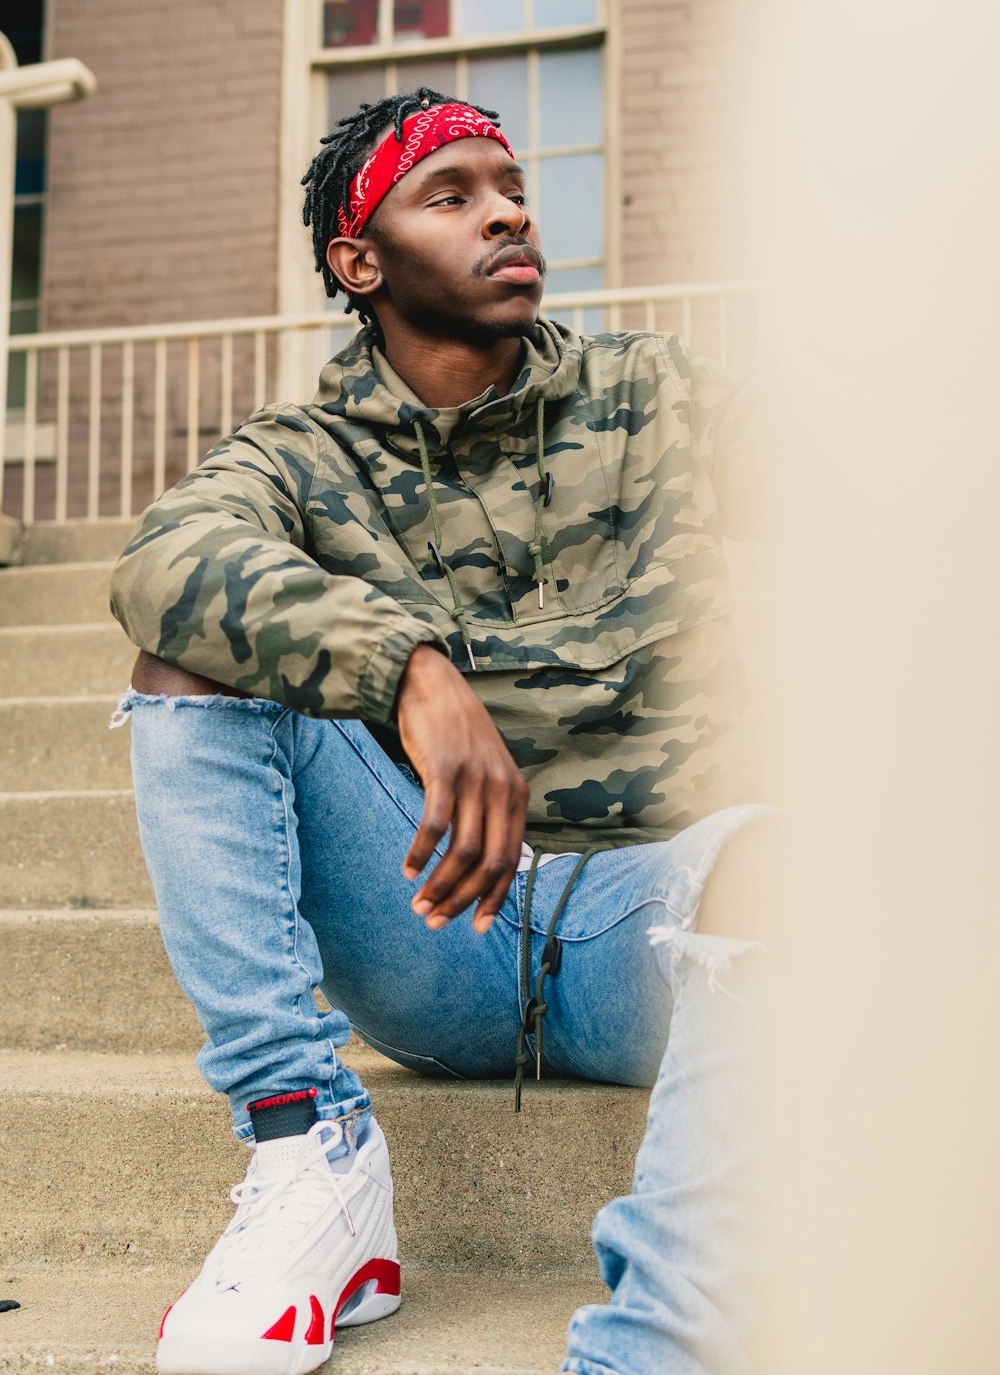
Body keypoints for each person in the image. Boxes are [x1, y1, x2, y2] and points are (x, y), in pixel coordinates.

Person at [109, 88, 775, 1375]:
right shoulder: (296, 456)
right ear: (360, 262)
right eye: (452, 193)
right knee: (186, 648)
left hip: (666, 912)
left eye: (512, 184)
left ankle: (650, 1353)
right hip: (435, 925)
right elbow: (164, 559)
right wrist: (401, 662)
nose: (509, 209)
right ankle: (309, 1146)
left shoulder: (657, 395)